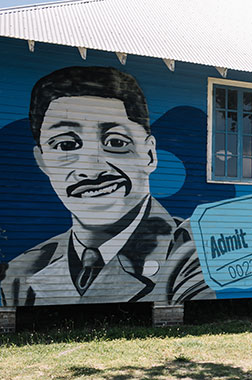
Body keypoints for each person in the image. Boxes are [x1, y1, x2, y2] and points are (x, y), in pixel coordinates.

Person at [0, 66, 213, 306]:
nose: (91, 170)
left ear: (150, 155)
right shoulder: (20, 273)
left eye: (115, 142)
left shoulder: (192, 254)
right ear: (42, 161)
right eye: (66, 146)